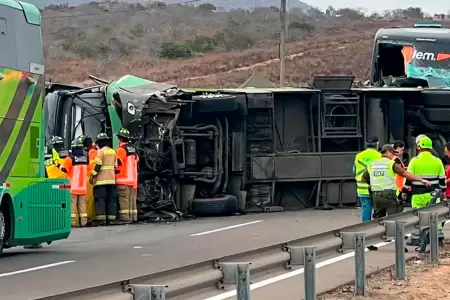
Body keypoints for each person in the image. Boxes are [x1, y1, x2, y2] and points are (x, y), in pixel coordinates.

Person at [402, 135, 446, 251]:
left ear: (418, 147)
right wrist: (443, 192)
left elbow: (408, 179)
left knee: (418, 217)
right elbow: (442, 180)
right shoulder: (437, 161)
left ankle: (417, 239)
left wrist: (404, 191)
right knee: (434, 217)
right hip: (434, 194)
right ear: (431, 148)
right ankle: (437, 239)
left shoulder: (414, 161)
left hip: (418, 195)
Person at [90, 133, 120, 226]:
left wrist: (93, 174)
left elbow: (98, 165)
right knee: (111, 200)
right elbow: (115, 166)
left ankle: (101, 219)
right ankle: (111, 219)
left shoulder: (100, 152)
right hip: (111, 180)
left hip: (101, 181)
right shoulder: (113, 151)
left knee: (100, 200)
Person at [60, 139, 89, 227]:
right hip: (83, 187)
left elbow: (64, 169)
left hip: (72, 187)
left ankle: (72, 222)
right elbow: (89, 170)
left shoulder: (70, 159)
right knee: (82, 205)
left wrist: (59, 165)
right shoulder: (86, 159)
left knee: (72, 204)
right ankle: (83, 222)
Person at [354, 135, 382, 222]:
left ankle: (365, 230)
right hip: (376, 187)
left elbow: (354, 169)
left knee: (366, 208)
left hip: (362, 188)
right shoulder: (380, 156)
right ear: (377, 144)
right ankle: (377, 229)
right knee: (378, 209)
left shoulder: (358, 156)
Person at [115, 128, 139, 223]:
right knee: (132, 200)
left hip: (123, 179)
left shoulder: (121, 150)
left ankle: (125, 218)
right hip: (133, 180)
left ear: (120, 139)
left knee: (124, 200)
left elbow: (117, 163)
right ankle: (133, 217)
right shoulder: (134, 149)